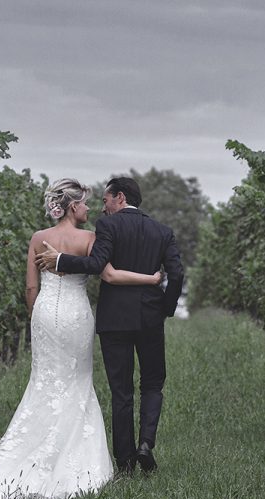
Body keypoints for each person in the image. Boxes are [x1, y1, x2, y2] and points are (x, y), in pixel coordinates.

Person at [0, 178, 161, 499]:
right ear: (73, 206)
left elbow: (30, 288)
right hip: (77, 314)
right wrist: (151, 279)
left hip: (45, 313)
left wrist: (38, 316)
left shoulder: (38, 238)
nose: (90, 209)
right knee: (76, 380)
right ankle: (76, 460)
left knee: (43, 381)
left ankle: (21, 462)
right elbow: (109, 275)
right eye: (86, 204)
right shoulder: (90, 238)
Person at [36, 176, 184, 477]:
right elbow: (177, 274)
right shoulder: (163, 231)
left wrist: (60, 260)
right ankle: (146, 443)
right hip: (150, 317)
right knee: (153, 382)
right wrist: (165, 309)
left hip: (115, 318)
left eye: (105, 201)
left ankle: (126, 462)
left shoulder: (108, 227)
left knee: (121, 390)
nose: (102, 209)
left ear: (119, 197)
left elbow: (96, 265)